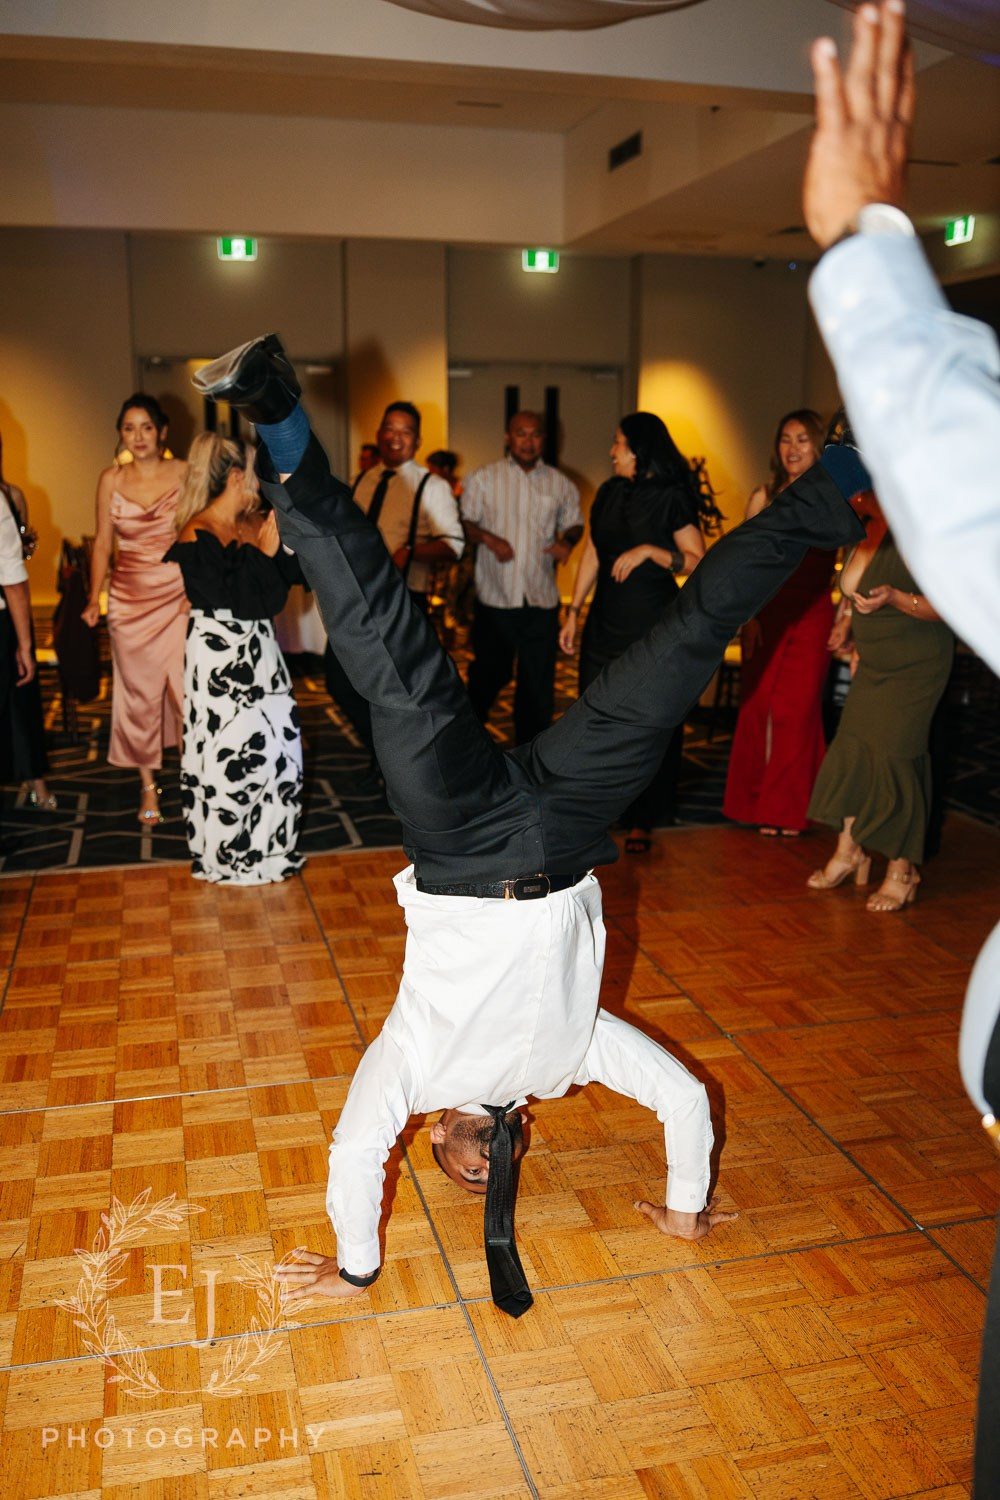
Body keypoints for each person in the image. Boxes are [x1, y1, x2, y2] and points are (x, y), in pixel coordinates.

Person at [193, 334, 868, 1315]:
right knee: (683, 643)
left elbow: (353, 1144)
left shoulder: (415, 1068)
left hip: (461, 840)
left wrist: (354, 1270)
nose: (478, 1168)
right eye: (488, 1171)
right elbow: (682, 1099)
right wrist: (685, 1207)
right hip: (567, 822)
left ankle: (280, 423)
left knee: (389, 651)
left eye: (460, 1169)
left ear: (432, 1137)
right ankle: (836, 480)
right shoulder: (573, 1056)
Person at [801, 0, 999, 1486]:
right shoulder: (883, 512)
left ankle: (896, 866)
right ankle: (866, 852)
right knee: (867, 760)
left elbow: (968, 508)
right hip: (903, 623)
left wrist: (870, 246)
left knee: (902, 762)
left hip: (937, 632)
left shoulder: (925, 513)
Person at [559, 413, 721, 851]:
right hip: (605, 620)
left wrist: (651, 550)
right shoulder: (609, 492)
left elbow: (697, 560)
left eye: (618, 443)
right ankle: (600, 807)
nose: (612, 451)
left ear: (638, 449)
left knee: (650, 719)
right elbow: (593, 550)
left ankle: (643, 818)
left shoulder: (669, 498)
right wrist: (574, 609)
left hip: (652, 624)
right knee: (595, 714)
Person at [164, 434, 304, 885]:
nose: (261, 480)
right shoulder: (195, 534)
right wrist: (263, 556)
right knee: (231, 755)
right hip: (219, 659)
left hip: (260, 650)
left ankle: (270, 851)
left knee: (279, 754)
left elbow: (280, 590)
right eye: (255, 470)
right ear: (237, 476)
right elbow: (238, 601)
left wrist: (286, 546)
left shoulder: (255, 520)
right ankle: (230, 858)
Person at [804, 487, 952, 910]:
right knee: (853, 751)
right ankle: (850, 853)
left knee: (895, 758)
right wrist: (846, 624)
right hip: (871, 663)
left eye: (854, 487)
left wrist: (896, 598)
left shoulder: (920, 530)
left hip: (916, 665)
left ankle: (903, 871)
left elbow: (949, 603)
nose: (846, 495)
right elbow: (854, 593)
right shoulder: (863, 529)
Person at [323, 401, 464, 768]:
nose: (395, 437)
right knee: (341, 682)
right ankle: (385, 757)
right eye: (390, 428)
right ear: (379, 434)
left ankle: (397, 768)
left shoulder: (432, 486)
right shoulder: (364, 479)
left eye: (405, 431)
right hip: (356, 600)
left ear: (417, 440)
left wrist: (411, 551)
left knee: (393, 693)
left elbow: (454, 544)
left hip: (402, 601)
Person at [723, 409, 835, 837]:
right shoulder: (763, 495)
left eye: (803, 439)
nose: (792, 448)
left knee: (796, 712)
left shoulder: (835, 497)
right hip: (766, 613)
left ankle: (789, 810)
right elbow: (743, 564)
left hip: (811, 613)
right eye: (785, 439)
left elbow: (851, 559)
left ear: (819, 445)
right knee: (758, 708)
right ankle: (753, 804)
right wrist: (747, 617)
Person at [82, 394, 188, 825]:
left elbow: (201, 531)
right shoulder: (110, 478)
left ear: (161, 430)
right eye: (129, 428)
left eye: (146, 427)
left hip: (179, 595)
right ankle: (149, 785)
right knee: (139, 694)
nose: (138, 436)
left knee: (187, 693)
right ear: (120, 434)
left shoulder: (185, 472)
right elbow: (103, 542)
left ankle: (199, 778)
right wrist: (94, 597)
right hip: (128, 600)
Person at [462, 411, 583, 745]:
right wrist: (489, 538)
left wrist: (566, 542)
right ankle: (468, 746)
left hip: (541, 599)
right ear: (507, 437)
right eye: (520, 433)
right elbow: (465, 524)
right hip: (496, 599)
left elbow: (575, 522)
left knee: (537, 686)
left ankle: (530, 756)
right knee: (488, 676)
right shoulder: (483, 478)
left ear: (544, 439)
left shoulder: (561, 484)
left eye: (535, 434)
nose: (528, 441)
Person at [0, 431, 54, 809]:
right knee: (20, 692)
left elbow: (21, 552)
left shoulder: (12, 494)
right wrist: (25, 644)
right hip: (6, 612)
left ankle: (36, 782)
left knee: (22, 700)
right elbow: (13, 577)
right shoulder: (3, 499)